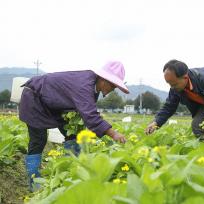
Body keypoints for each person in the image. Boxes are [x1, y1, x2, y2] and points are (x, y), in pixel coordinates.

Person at [19, 61, 128, 191]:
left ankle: (68, 172)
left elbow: (86, 111)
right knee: (39, 139)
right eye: (113, 86)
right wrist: (114, 134)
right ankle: (33, 182)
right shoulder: (85, 85)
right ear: (104, 80)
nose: (112, 90)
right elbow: (91, 116)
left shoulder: (94, 86)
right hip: (34, 98)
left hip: (55, 105)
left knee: (72, 135)